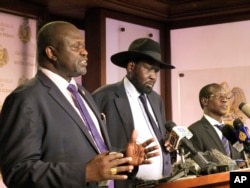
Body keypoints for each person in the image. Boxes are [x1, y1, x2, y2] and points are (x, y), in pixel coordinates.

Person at [0, 21, 160, 188]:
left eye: (83, 46)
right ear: (51, 53)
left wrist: (123, 157)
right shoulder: (26, 98)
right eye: (76, 47)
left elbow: (92, 152)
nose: (84, 52)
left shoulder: (83, 93)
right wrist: (84, 173)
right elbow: (17, 172)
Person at [92, 38, 176, 186]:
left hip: (162, 182)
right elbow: (92, 143)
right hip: (126, 183)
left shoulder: (156, 99)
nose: (153, 76)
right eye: (148, 69)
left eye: (156, 71)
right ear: (131, 66)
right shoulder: (104, 96)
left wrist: (169, 142)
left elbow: (161, 136)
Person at [188, 83, 242, 159]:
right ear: (205, 101)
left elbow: (242, 157)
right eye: (219, 96)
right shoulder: (194, 131)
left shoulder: (231, 130)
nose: (225, 100)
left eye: (226, 97)